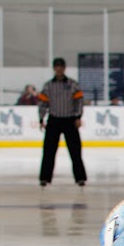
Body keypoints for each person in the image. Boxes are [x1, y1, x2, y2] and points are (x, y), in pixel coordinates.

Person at [37, 57, 86, 187]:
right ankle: (45, 177)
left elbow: (79, 101)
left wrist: (78, 116)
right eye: (56, 67)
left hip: (70, 120)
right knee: (49, 151)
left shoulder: (72, 84)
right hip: (54, 119)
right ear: (54, 68)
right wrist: (41, 118)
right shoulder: (48, 86)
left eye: (61, 67)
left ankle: (80, 178)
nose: (59, 69)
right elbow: (42, 103)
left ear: (64, 68)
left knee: (75, 151)